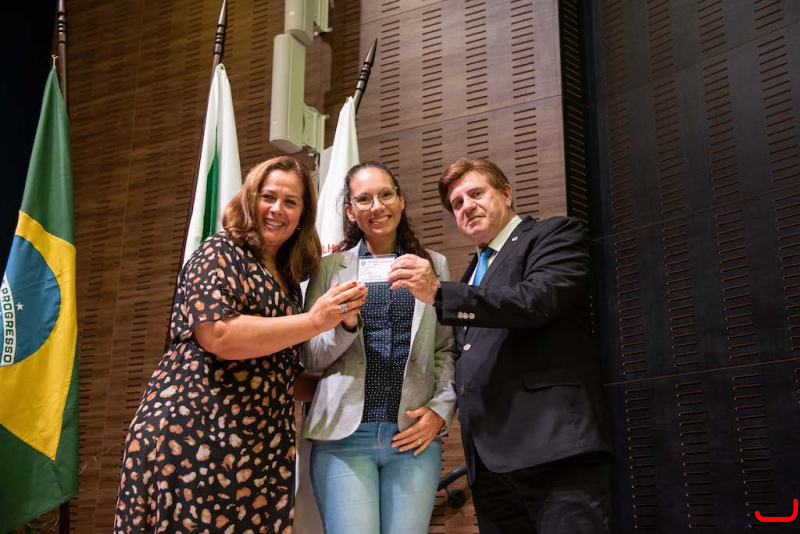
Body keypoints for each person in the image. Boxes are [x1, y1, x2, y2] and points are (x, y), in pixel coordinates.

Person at [113, 156, 368, 534]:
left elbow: (279, 373)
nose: (277, 209)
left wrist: (356, 388)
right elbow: (219, 336)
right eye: (268, 197)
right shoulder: (219, 251)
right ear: (249, 199)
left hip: (256, 451)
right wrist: (315, 321)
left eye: (290, 202)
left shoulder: (287, 280)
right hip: (195, 436)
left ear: (303, 216)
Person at [388, 157, 613, 533]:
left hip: (554, 450)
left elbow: (536, 300)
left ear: (506, 193)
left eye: (476, 193)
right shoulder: (471, 274)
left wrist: (441, 293)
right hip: (489, 466)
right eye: (457, 203)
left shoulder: (553, 234)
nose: (466, 206)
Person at [301, 161, 457, 534]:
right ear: (349, 211)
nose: (377, 206)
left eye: (386, 194)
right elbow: (310, 357)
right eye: (364, 199)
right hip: (343, 437)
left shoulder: (433, 265)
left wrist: (440, 410)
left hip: (412, 436)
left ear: (401, 200)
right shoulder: (328, 268)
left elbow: (447, 349)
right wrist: (346, 325)